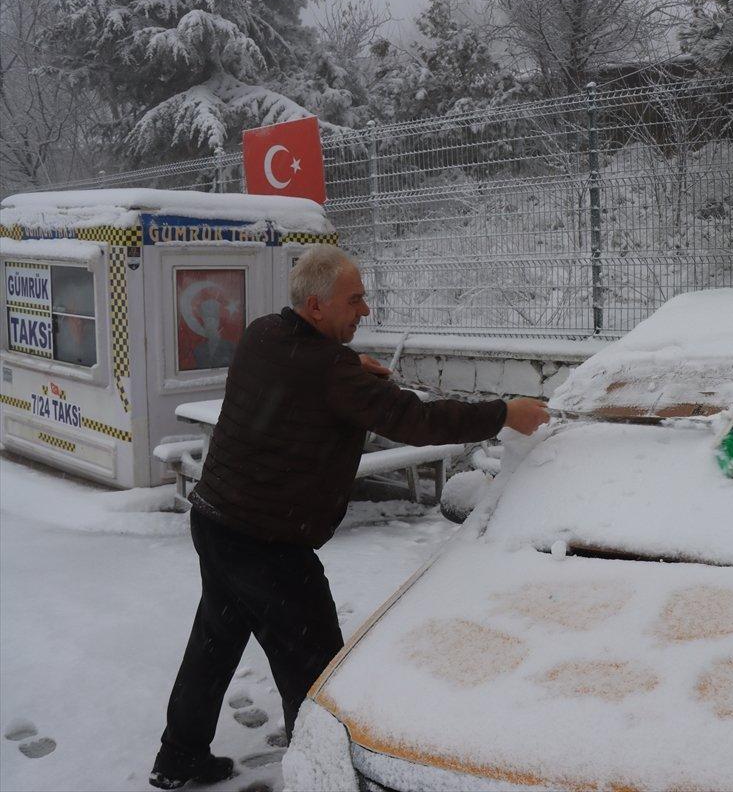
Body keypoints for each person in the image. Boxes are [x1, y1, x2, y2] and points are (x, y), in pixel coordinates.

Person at [149, 246, 548, 789]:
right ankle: (325, 777)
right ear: (316, 306)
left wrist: (346, 363)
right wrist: (505, 412)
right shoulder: (330, 372)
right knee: (316, 668)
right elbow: (415, 418)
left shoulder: (266, 333)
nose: (366, 310)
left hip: (218, 520)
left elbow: (305, 367)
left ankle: (179, 756)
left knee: (214, 643)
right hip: (267, 542)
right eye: (354, 299)